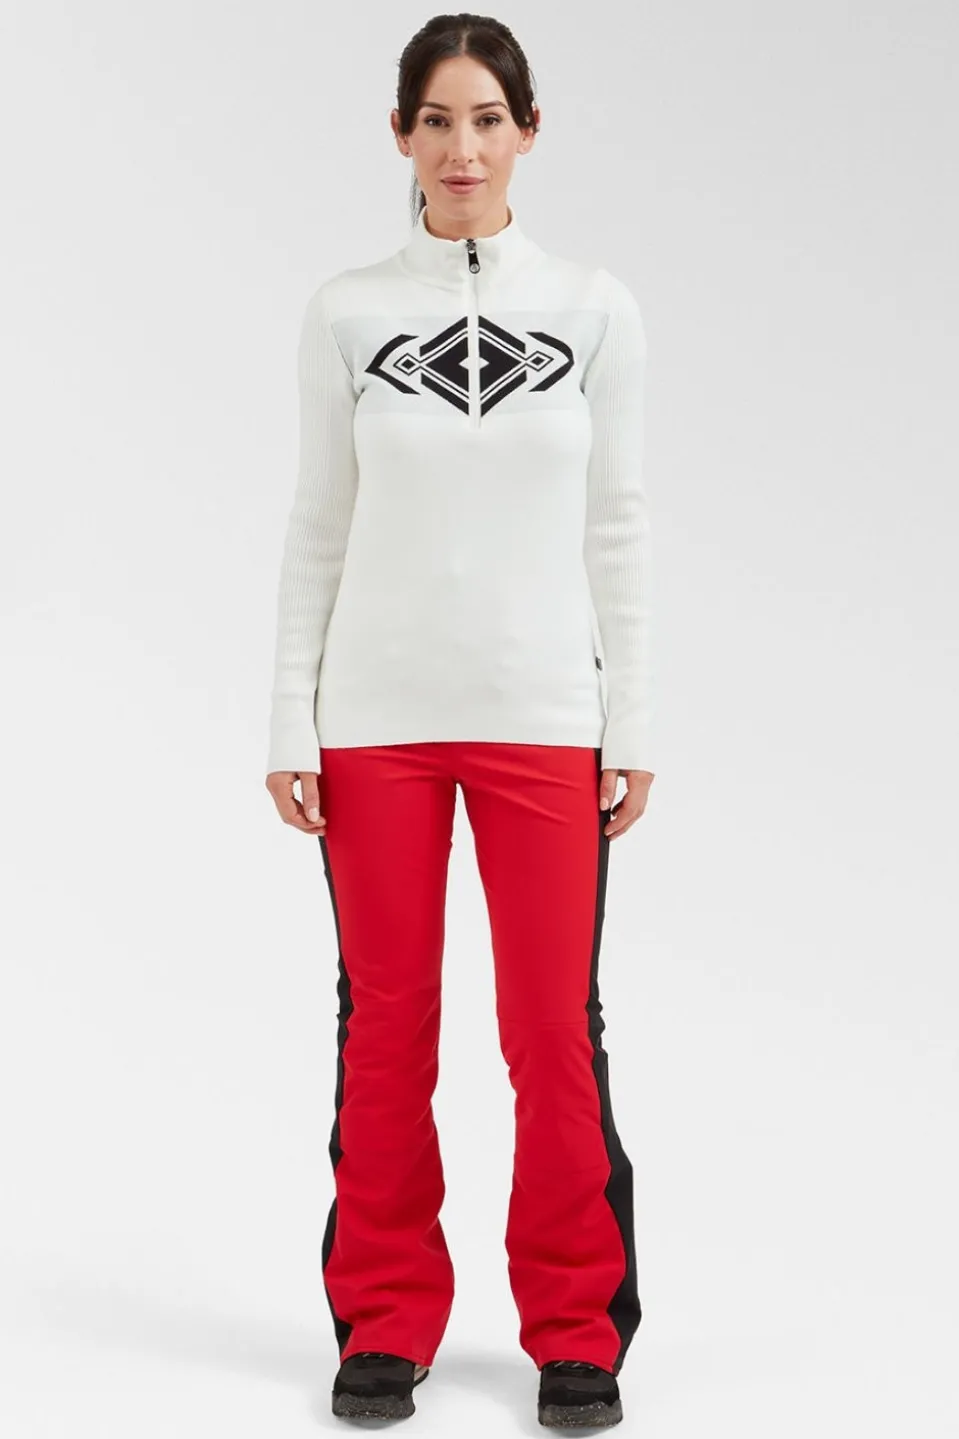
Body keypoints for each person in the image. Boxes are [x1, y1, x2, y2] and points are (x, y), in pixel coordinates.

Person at [264, 14, 654, 1429]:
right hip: (374, 721)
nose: (462, 147)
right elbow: (319, 521)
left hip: (544, 715)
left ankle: (574, 1329)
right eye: (436, 119)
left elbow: (618, 525)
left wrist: (630, 720)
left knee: (551, 1029)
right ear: (400, 136)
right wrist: (290, 719)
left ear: (528, 133)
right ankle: (385, 1317)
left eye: (487, 119)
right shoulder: (347, 313)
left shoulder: (595, 308)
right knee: (386, 1028)